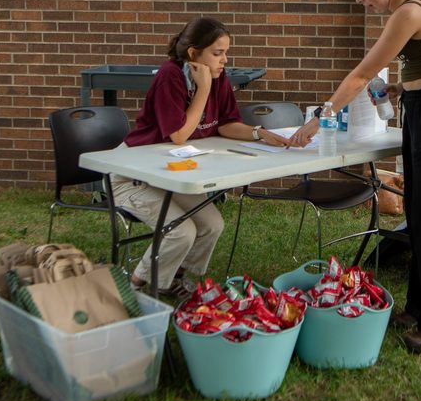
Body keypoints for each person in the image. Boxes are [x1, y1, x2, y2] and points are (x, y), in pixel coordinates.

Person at [287, 0, 421, 353]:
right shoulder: (411, 7)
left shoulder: (407, 11)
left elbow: (360, 75)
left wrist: (318, 119)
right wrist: (403, 87)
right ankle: (419, 307)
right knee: (420, 216)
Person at [111, 16, 290, 299]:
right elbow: (179, 135)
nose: (224, 60)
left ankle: (171, 280)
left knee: (211, 225)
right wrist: (203, 88)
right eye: (217, 54)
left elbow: (226, 124)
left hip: (170, 172)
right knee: (180, 232)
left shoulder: (218, 77)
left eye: (226, 53)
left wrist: (259, 133)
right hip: (134, 174)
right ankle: (133, 286)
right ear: (194, 54)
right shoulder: (170, 76)